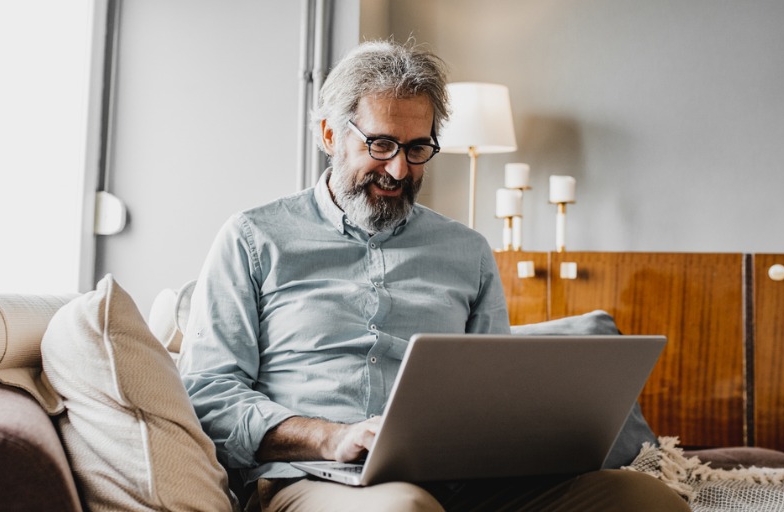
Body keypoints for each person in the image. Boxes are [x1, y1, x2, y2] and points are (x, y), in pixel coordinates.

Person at [179, 40, 690, 512]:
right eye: (381, 145)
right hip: (317, 477)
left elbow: (498, 389)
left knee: (645, 499)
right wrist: (332, 436)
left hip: (465, 484)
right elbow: (209, 394)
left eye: (417, 148)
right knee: (403, 508)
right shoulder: (253, 237)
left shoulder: (467, 251)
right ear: (329, 134)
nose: (399, 170)